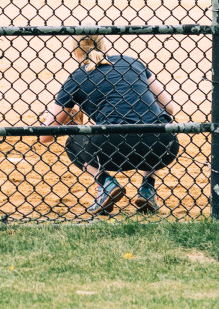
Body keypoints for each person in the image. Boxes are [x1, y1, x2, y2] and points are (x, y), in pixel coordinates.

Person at [38, 35, 180, 216]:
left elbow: (45, 137)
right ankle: (147, 188)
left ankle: (106, 183)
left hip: (113, 149)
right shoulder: (131, 62)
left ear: (74, 52)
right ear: (105, 46)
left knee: (73, 140)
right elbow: (169, 107)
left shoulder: (76, 78)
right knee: (154, 120)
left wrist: (65, 121)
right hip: (163, 146)